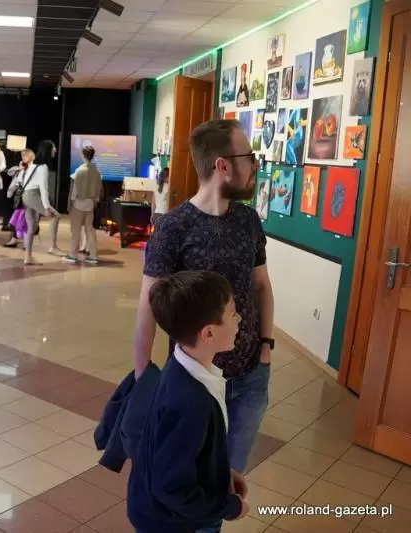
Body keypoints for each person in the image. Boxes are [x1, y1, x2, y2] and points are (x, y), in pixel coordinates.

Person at [133, 119, 274, 533]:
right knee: (189, 485)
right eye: (249, 156)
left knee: (225, 481)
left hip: (249, 376)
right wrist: (143, 378)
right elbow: (148, 305)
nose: (254, 165)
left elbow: (261, 285)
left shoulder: (248, 221)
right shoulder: (174, 226)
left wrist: (265, 348)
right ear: (222, 166)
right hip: (195, 382)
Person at [128, 270, 249, 533]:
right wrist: (229, 507)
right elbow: (171, 487)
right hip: (173, 523)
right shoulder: (190, 401)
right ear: (208, 333)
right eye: (232, 314)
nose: (239, 320)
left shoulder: (183, 367)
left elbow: (188, 451)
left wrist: (219, 472)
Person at [20, 140, 59, 265]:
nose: (55, 150)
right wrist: (46, 206)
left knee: (31, 227)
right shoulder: (43, 167)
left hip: (26, 196)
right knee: (55, 216)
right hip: (33, 195)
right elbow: (43, 188)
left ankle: (28, 257)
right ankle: (53, 247)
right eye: (53, 147)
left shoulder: (33, 164)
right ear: (48, 150)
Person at [64, 145, 102, 265]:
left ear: (83, 155)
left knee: (75, 231)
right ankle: (93, 256)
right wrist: (95, 201)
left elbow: (74, 190)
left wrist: (71, 203)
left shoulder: (80, 171)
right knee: (90, 231)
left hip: (78, 204)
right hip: (90, 204)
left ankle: (73, 255)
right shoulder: (96, 171)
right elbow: (98, 189)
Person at [4, 149, 35, 248]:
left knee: (26, 220)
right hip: (19, 195)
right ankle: (14, 239)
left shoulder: (34, 169)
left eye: (25, 155)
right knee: (16, 218)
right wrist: (20, 169)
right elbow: (10, 174)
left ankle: (26, 243)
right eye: (22, 155)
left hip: (29, 196)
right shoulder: (19, 168)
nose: (23, 157)